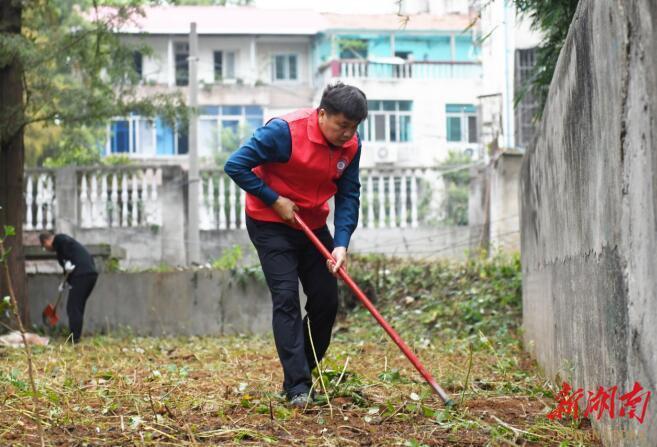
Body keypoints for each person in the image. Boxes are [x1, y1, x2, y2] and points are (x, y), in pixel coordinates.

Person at [224, 82, 368, 407]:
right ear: (322, 114)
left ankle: (298, 371)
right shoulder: (284, 132)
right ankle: (298, 387)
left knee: (326, 301)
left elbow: (349, 195)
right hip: (269, 222)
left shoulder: (352, 146)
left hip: (312, 225)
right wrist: (275, 200)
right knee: (286, 298)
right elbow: (235, 164)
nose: (348, 134)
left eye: (354, 127)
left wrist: (341, 243)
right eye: (342, 126)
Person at [39, 232, 98, 343]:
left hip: (83, 274)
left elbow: (67, 246)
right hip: (88, 274)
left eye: (44, 247)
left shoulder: (60, 240)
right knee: (77, 307)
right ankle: (75, 337)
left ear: (46, 241)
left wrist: (68, 259)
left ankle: (74, 339)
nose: (46, 249)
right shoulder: (60, 252)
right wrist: (65, 283)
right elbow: (68, 269)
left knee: (73, 307)